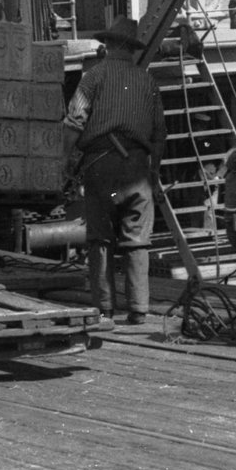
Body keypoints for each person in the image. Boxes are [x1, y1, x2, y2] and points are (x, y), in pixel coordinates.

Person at [62, 16, 168, 325]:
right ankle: (138, 309)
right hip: (138, 165)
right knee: (137, 239)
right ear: (132, 49)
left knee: (101, 238)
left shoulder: (92, 78)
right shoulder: (148, 81)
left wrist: (63, 162)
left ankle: (105, 307)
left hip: (100, 165)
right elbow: (160, 134)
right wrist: (154, 173)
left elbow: (74, 123)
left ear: (107, 45)